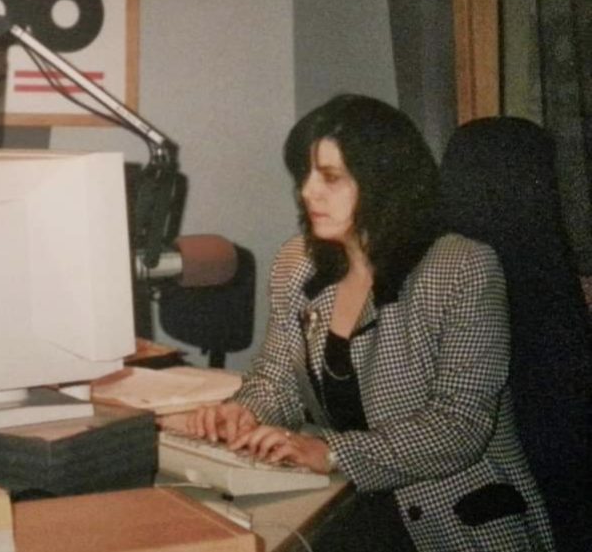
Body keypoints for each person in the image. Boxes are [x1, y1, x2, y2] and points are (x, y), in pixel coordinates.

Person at [186, 94, 555, 551]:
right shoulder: (295, 263)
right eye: (306, 174)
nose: (307, 191)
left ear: (383, 182)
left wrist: (334, 453)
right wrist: (245, 411)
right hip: (341, 500)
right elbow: (276, 377)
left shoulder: (462, 268)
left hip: (453, 514)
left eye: (331, 178)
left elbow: (460, 425)